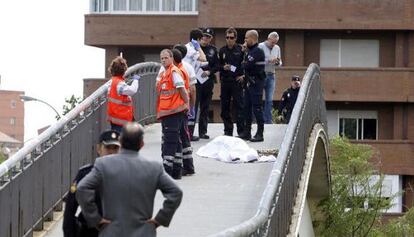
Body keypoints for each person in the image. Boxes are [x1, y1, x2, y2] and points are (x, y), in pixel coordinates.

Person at [76, 122, 183, 237]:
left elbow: (82, 188)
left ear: (120, 142)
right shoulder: (154, 168)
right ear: (141, 144)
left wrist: (95, 218)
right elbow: (176, 192)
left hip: (111, 231)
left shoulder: (104, 165)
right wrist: (160, 219)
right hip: (144, 232)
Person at [63, 130, 120, 237]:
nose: (112, 153)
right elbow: (70, 210)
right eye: (108, 148)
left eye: (116, 148)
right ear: (99, 149)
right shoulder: (85, 174)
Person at [157, 49, 189, 179]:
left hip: (174, 112)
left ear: (171, 58)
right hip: (168, 112)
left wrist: (187, 104)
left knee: (169, 143)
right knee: (176, 142)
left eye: (166, 58)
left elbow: (181, 89)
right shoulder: (165, 73)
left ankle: (167, 171)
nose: (164, 60)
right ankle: (176, 171)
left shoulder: (173, 72)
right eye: (162, 58)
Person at [238, 30, 266, 142]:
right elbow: (243, 64)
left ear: (252, 39)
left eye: (246, 38)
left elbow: (246, 65)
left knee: (257, 108)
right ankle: (247, 132)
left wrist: (244, 61)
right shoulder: (250, 51)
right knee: (247, 108)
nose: (244, 41)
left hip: (256, 83)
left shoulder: (257, 51)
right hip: (249, 83)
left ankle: (260, 133)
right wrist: (244, 53)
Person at [172, 47, 196, 176]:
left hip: (173, 110)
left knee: (175, 139)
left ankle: (177, 167)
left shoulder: (170, 69)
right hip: (183, 108)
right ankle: (189, 166)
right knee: (185, 137)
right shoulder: (188, 68)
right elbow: (192, 90)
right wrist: (191, 107)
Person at [218, 27, 245, 137]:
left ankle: (241, 131)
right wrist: (223, 67)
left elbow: (243, 66)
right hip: (225, 82)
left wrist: (233, 69)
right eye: (227, 37)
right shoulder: (222, 50)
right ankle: (228, 130)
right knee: (224, 107)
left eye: (231, 37)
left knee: (239, 106)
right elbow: (218, 65)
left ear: (235, 38)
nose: (229, 39)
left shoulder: (240, 50)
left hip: (236, 81)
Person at [183, 28, 207, 141]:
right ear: (197, 39)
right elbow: (203, 58)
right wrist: (199, 48)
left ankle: (186, 132)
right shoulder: (192, 49)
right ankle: (189, 134)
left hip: (184, 79)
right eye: (201, 39)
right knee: (192, 106)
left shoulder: (186, 47)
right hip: (189, 81)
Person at [195, 28, 219, 139]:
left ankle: (202, 132)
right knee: (193, 107)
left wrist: (209, 72)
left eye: (208, 36)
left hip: (207, 81)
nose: (205, 38)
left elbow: (217, 65)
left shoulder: (213, 50)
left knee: (205, 107)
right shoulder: (194, 48)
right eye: (204, 36)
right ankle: (189, 132)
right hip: (195, 81)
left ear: (211, 38)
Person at [107, 56, 140, 133]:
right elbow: (132, 90)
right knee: (123, 140)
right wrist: (135, 80)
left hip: (114, 118)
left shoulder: (112, 82)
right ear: (124, 70)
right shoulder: (119, 84)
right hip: (122, 119)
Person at [258, 32, 282, 124]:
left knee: (269, 100)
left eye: (275, 43)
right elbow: (257, 61)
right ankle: (259, 119)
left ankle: (268, 120)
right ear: (268, 39)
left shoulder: (277, 48)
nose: (273, 45)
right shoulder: (260, 46)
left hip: (272, 75)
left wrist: (277, 62)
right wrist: (268, 61)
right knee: (259, 98)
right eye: (272, 42)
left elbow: (280, 63)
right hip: (261, 74)